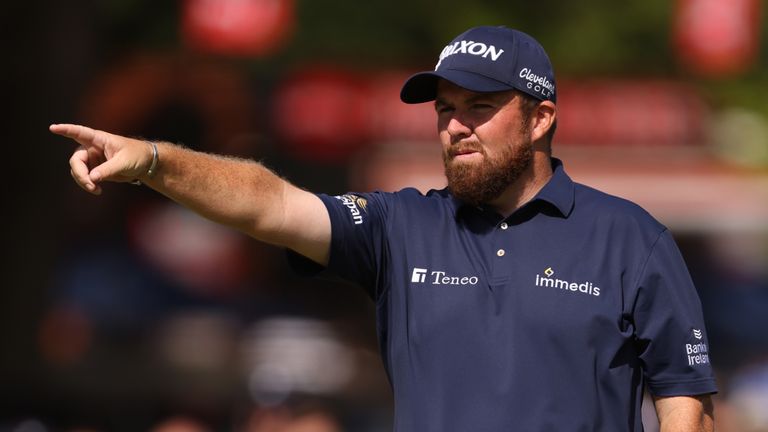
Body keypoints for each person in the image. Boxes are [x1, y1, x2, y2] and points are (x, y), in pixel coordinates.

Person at [51, 25, 717, 431]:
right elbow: (268, 202)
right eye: (445, 109)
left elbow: (685, 400)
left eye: (480, 107)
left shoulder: (630, 239)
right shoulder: (401, 227)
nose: (455, 127)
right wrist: (156, 163)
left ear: (541, 118)